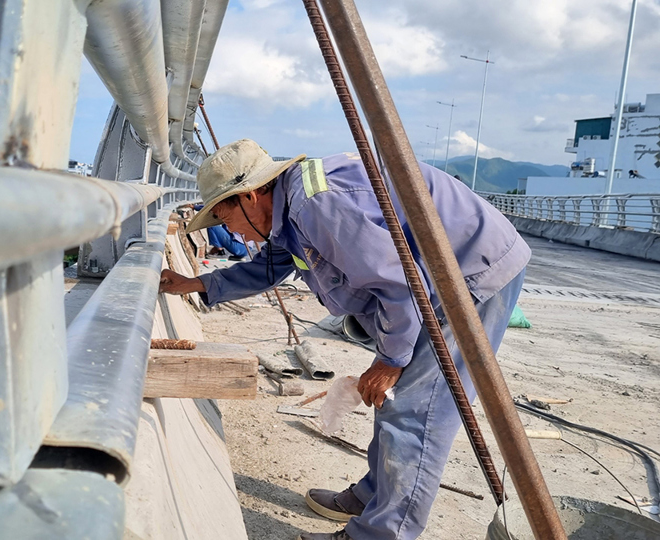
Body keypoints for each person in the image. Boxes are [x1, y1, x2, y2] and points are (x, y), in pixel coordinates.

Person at [159, 139, 530, 540]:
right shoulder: (290, 208)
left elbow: (398, 283)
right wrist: (198, 282)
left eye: (223, 216)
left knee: (415, 411)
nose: (227, 230)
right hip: (436, 276)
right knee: (397, 400)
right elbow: (272, 265)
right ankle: (374, 496)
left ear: (249, 196)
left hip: (468, 274)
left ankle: (378, 533)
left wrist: (389, 361)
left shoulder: (315, 205)